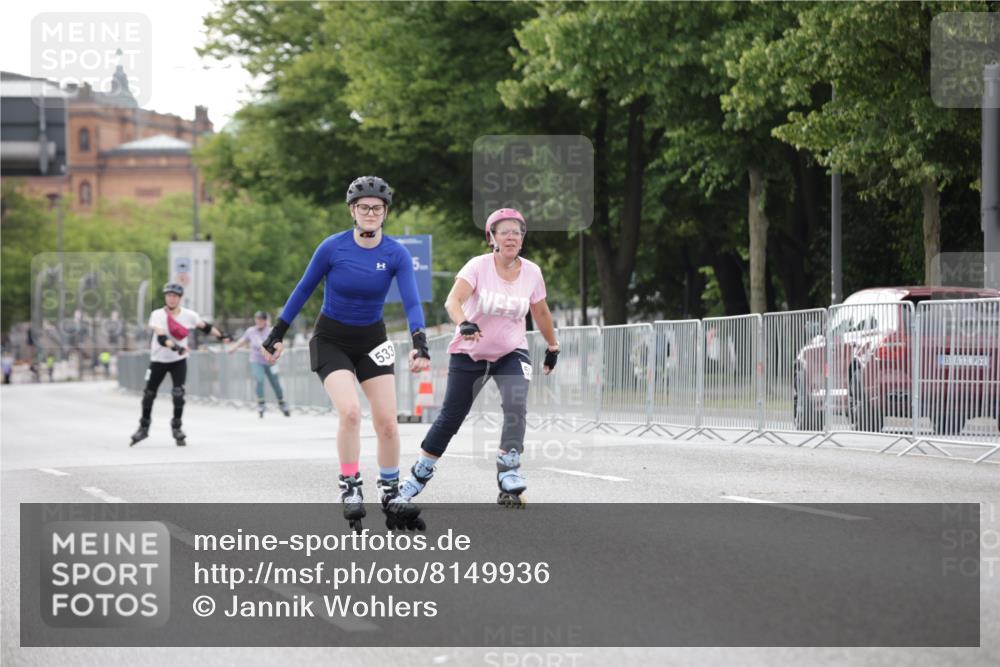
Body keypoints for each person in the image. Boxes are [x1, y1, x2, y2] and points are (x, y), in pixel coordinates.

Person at [261, 176, 431, 531]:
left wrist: (420, 343)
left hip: (373, 340)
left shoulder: (396, 253)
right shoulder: (332, 247)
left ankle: (390, 492)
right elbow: (303, 289)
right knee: (351, 412)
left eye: (377, 208)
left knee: (387, 421)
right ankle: (351, 487)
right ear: (353, 210)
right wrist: (278, 332)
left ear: (385, 213)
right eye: (364, 207)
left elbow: (412, 301)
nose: (370, 213)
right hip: (331, 339)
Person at [392, 208, 560, 511]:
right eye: (504, 231)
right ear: (491, 238)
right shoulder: (478, 266)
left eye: (517, 231)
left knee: (516, 403)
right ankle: (417, 476)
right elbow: (453, 300)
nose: (511, 237)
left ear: (523, 238)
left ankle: (509, 468)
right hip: (469, 354)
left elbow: (541, 312)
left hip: (511, 351)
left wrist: (552, 345)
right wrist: (464, 323)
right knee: (451, 418)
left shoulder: (532, 272)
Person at [130, 283, 229, 447]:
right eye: (169, 295)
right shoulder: (158, 315)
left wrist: (222, 336)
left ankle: (177, 428)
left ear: (180, 298)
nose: (171, 298)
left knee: (178, 394)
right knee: (149, 394)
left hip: (178, 361)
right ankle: (144, 427)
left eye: (175, 296)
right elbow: (161, 338)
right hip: (159, 360)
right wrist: (176, 346)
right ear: (165, 297)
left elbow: (206, 327)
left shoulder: (189, 315)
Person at [228, 311, 290, 418]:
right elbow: (243, 340)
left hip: (270, 361)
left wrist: (275, 356)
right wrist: (233, 348)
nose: (259, 322)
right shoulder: (251, 331)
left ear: (265, 321)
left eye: (261, 320)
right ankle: (261, 403)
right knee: (259, 379)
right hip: (256, 360)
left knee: (275, 383)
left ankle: (281, 402)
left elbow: (277, 344)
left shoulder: (271, 331)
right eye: (257, 319)